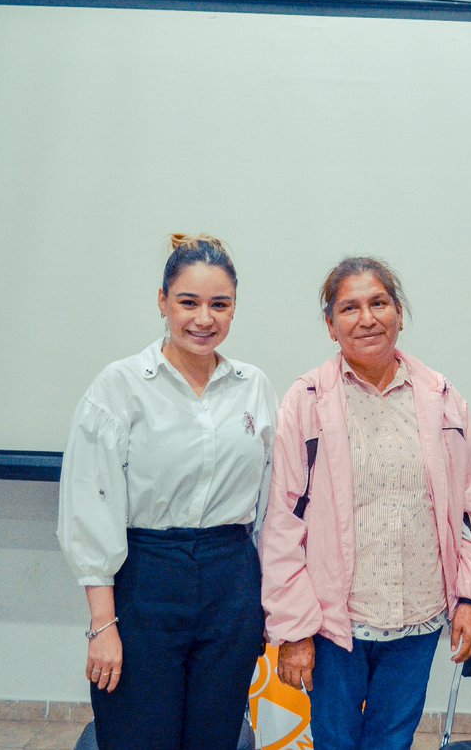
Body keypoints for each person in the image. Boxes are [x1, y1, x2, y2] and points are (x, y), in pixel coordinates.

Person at [258, 256, 471, 750]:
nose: (366, 318)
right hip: (334, 624)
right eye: (349, 308)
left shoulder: (443, 398)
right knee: (336, 742)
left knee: (393, 739)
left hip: (419, 618)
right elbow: (282, 525)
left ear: (399, 314)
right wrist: (294, 630)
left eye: (379, 303)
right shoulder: (306, 402)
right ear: (331, 326)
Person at [58, 234, 277, 750]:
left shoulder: (254, 387)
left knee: (215, 736)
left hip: (231, 582)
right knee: (139, 734)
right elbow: (90, 508)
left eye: (219, 304)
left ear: (234, 308)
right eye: (188, 302)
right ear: (162, 301)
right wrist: (103, 626)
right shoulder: (120, 386)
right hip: (145, 581)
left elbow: (271, 506)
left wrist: (268, 603)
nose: (204, 318)